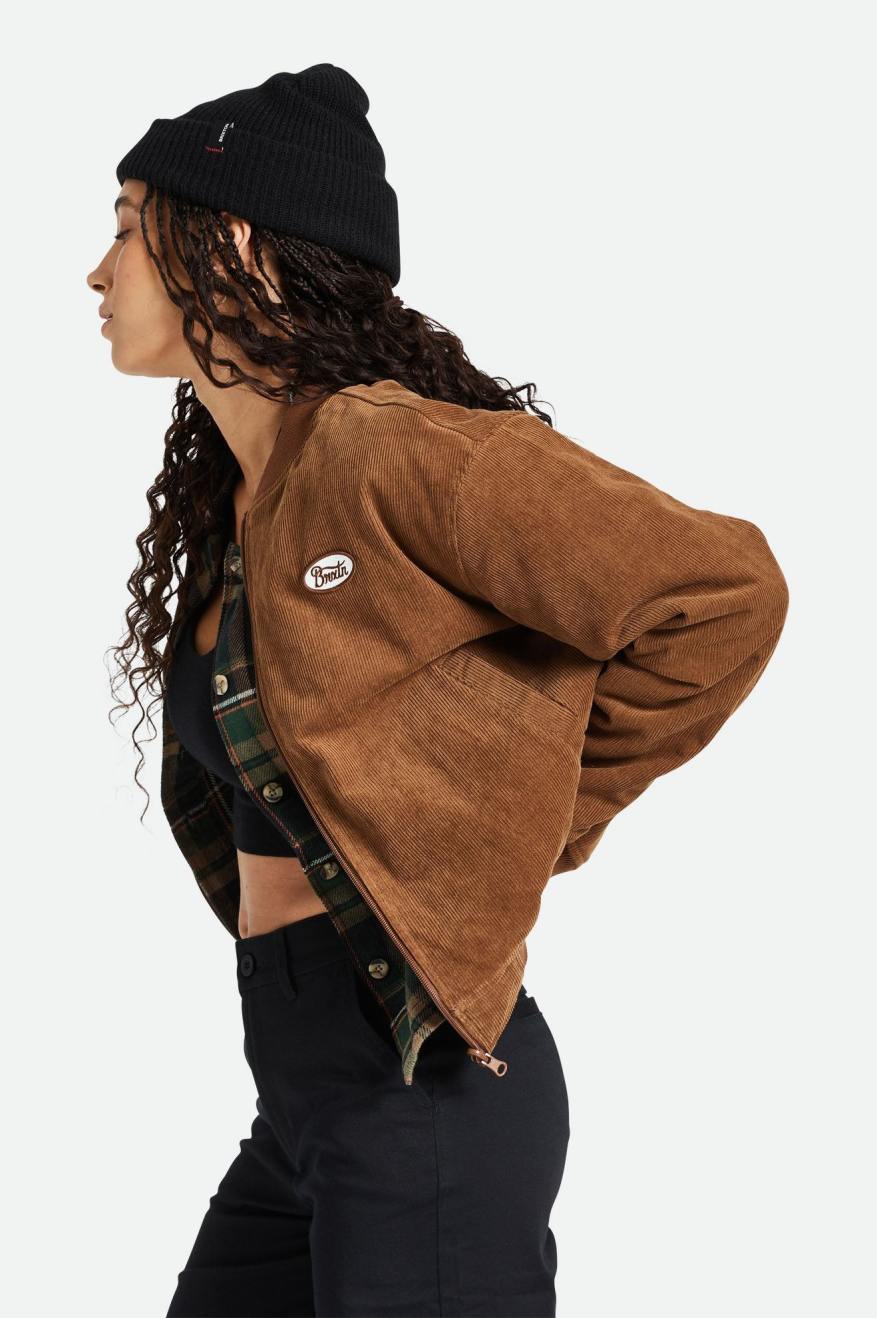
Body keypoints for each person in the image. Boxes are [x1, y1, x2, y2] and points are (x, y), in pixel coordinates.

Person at [89, 64, 790, 1318]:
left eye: (131, 229)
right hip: (302, 1099)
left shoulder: (390, 449)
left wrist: (531, 814)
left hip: (420, 1099)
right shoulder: (241, 499)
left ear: (232, 244)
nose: (98, 272)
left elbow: (722, 593)